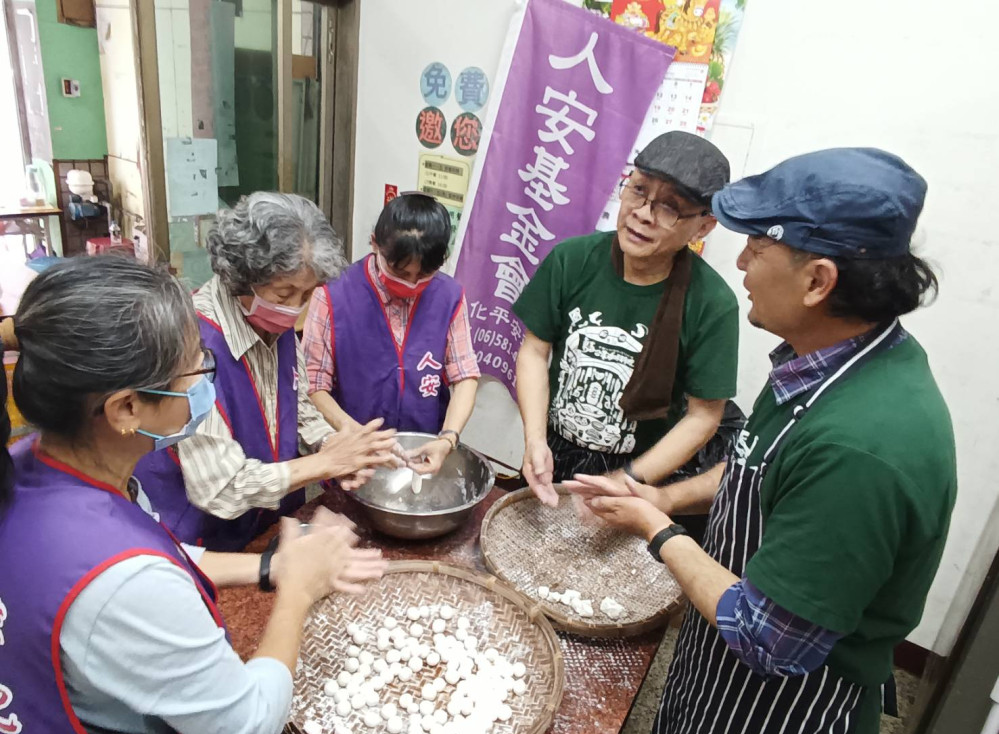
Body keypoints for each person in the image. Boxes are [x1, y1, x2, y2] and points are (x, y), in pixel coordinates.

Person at [567, 148, 956, 734]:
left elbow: (770, 638)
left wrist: (656, 527)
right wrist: (661, 494)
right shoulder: (823, 359)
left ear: (818, 280)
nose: (741, 261)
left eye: (757, 247)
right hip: (716, 664)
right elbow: (755, 470)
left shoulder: (861, 448)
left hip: (784, 712)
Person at [0, 255, 387, 734]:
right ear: (126, 408)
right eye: (196, 371)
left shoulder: (31, 462)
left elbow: (158, 554)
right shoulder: (124, 582)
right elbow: (245, 727)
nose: (205, 386)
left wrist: (270, 565)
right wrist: (298, 589)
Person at [134, 192, 399, 552]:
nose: (294, 310)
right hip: (202, 538)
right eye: (283, 293)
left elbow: (298, 406)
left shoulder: (276, 325)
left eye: (307, 295)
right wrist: (325, 463)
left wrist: (333, 444)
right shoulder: (190, 345)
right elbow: (221, 488)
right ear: (240, 276)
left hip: (268, 523)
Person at [513, 131, 741, 515]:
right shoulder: (572, 260)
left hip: (643, 471)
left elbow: (705, 416)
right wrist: (535, 440)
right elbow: (535, 352)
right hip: (556, 454)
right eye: (638, 190)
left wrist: (628, 480)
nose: (643, 214)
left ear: (703, 227)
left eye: (669, 208)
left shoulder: (712, 303)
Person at [303, 192, 480, 475]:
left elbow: (465, 376)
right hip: (353, 456)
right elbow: (313, 384)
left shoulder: (450, 297)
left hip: (422, 451)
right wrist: (357, 436)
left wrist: (448, 438)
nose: (411, 283)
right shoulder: (333, 296)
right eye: (399, 272)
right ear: (375, 243)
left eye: (423, 275)